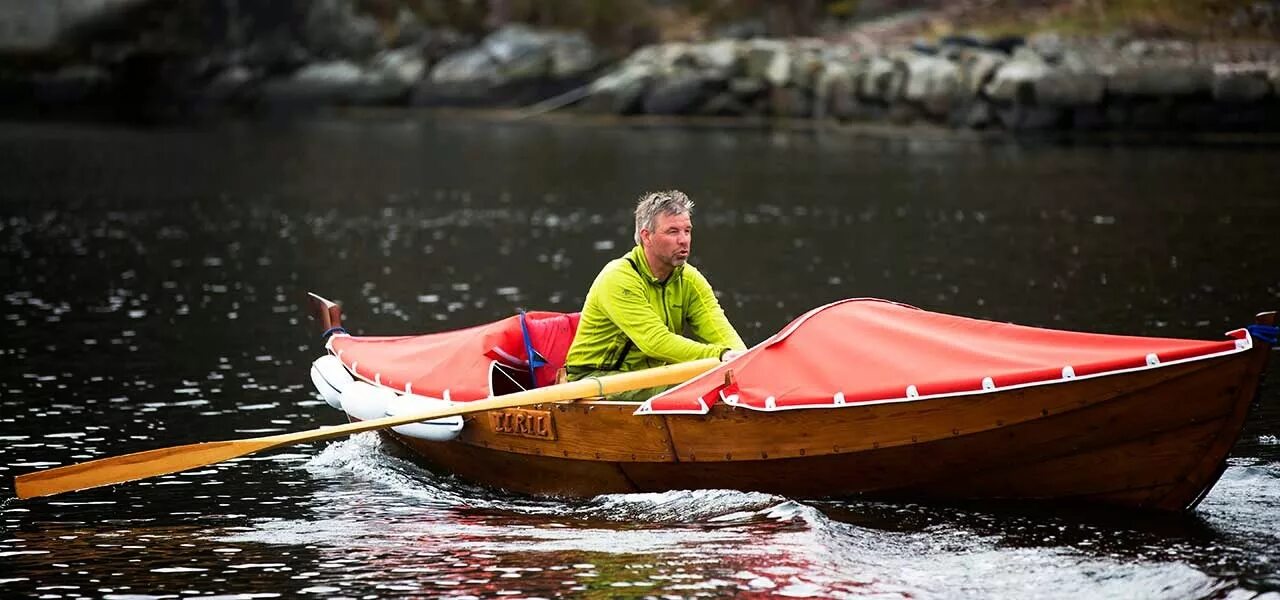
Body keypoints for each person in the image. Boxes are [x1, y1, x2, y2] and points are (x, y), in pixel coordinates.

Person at [564, 190, 747, 401]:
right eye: (672, 232)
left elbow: (721, 333)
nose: (683, 240)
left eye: (687, 231)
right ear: (646, 236)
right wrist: (720, 355)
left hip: (649, 376)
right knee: (696, 391)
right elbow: (655, 342)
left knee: (726, 382)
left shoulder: (690, 280)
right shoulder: (618, 278)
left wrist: (743, 361)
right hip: (593, 379)